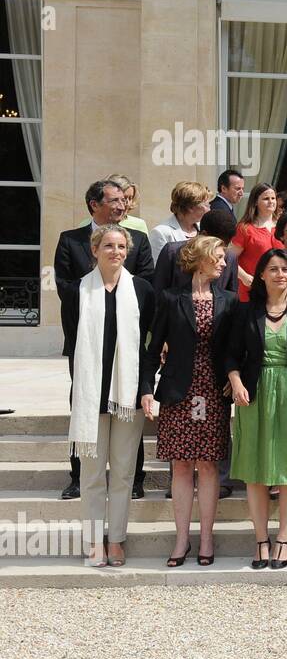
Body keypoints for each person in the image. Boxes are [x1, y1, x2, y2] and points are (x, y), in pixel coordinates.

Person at [226, 249, 287, 570]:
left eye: (285, 269)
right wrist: (236, 382)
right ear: (261, 275)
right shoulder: (245, 312)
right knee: (256, 471)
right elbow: (229, 355)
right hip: (254, 396)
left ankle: (283, 538)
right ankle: (260, 539)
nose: (280, 274)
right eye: (273, 269)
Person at [55, 180, 155, 501]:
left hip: (127, 342)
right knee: (84, 403)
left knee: (129, 401)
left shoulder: (138, 240)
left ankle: (134, 477)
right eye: (113, 200)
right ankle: (78, 476)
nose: (121, 205)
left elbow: (147, 286)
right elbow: (66, 291)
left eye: (124, 200)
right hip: (87, 342)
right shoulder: (70, 240)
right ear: (93, 204)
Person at [62, 225, 155, 568]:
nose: (115, 251)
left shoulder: (142, 290)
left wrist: (146, 387)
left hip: (128, 396)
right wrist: (82, 392)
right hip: (90, 397)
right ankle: (92, 541)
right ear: (95, 249)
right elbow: (73, 347)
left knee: (123, 474)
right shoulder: (76, 292)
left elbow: (148, 348)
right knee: (91, 475)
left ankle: (115, 540)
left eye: (120, 246)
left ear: (127, 251)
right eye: (108, 245)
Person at [141, 235, 236, 566]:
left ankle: (207, 539)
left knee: (209, 466)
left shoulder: (229, 301)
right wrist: (146, 391)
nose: (225, 263)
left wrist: (235, 380)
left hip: (213, 391)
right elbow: (153, 350)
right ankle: (182, 540)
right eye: (220, 257)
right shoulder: (169, 299)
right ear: (201, 258)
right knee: (181, 465)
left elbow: (236, 351)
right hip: (178, 393)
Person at [155, 209, 239, 296]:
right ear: (204, 234)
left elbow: (232, 297)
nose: (221, 249)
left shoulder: (229, 257)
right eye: (215, 245)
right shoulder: (173, 252)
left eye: (225, 245)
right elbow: (158, 291)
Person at [230, 183, 284, 302]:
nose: (271, 202)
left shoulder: (283, 225)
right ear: (255, 202)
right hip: (252, 290)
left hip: (279, 289)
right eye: (266, 198)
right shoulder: (245, 228)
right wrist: (245, 277)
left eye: (273, 198)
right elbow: (229, 258)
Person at [147, 181, 211, 261]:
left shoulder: (204, 229)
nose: (209, 210)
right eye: (206, 205)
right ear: (190, 207)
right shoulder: (161, 233)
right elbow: (158, 268)